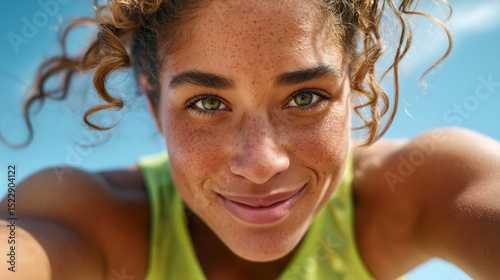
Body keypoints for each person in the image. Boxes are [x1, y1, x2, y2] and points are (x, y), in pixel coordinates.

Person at [1, 0, 499, 279]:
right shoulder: (77, 217)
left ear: (355, 84)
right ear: (153, 101)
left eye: (305, 97)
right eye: (207, 104)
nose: (261, 163)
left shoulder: (427, 187)